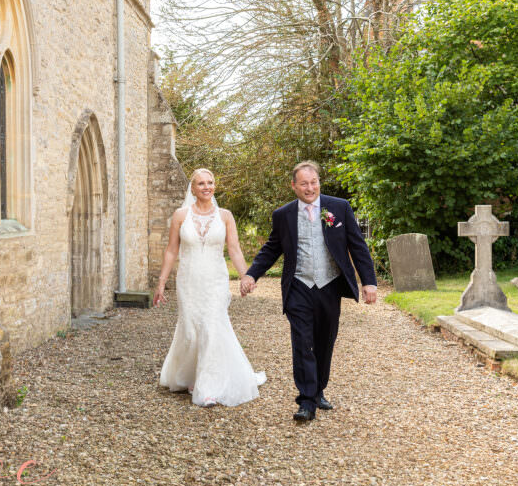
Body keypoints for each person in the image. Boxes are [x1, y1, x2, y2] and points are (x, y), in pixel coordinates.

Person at [240, 161, 377, 423]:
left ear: (318, 183)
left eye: (313, 182)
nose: (309, 188)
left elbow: (358, 246)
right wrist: (251, 274)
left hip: (330, 285)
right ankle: (306, 401)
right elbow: (271, 248)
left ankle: (318, 389)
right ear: (294, 186)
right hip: (299, 286)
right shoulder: (284, 215)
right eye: (303, 183)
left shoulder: (339, 207)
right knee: (302, 342)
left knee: (325, 341)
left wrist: (368, 281)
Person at [153, 168, 266, 407]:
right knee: (192, 330)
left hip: (215, 280)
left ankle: (209, 386)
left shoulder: (225, 216)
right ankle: (192, 374)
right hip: (189, 280)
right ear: (192, 189)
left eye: (210, 183)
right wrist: (161, 282)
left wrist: (246, 277)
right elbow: (172, 250)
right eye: (201, 183)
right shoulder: (180, 216)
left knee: (212, 327)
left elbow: (234, 249)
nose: (207, 187)